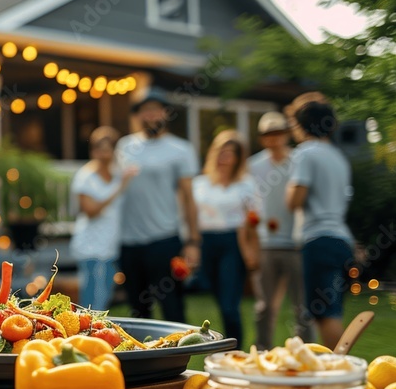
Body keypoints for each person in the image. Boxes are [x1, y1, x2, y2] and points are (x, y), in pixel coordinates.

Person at [116, 88, 201, 323]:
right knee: (137, 310)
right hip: (129, 242)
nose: (151, 115)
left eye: (155, 109)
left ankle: (179, 347)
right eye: (145, 110)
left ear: (165, 113)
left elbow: (189, 198)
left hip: (164, 240)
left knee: (172, 307)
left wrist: (193, 242)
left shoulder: (180, 149)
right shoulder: (124, 147)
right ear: (138, 115)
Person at [286, 94, 354, 349]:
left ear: (302, 124)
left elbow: (295, 199)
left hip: (319, 241)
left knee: (325, 315)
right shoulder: (338, 157)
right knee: (332, 311)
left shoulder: (304, 153)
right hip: (342, 242)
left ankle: (341, 368)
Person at [248, 112, 317, 349]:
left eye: (278, 132)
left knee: (303, 306)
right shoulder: (253, 165)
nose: (274, 138)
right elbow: (249, 206)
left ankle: (307, 353)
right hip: (266, 244)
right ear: (262, 138)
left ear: (287, 134)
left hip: (297, 242)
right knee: (264, 306)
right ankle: (262, 353)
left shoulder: (300, 160)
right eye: (268, 134)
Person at [193, 130, 260, 346]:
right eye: (221, 152)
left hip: (233, 242)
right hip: (206, 243)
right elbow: (190, 217)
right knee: (219, 300)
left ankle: (235, 348)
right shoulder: (200, 184)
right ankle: (226, 349)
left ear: (238, 158)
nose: (224, 157)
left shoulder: (246, 184)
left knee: (230, 305)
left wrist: (252, 249)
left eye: (230, 153)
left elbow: (254, 219)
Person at [70, 126, 138, 310]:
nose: (103, 154)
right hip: (90, 247)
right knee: (92, 300)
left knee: (105, 296)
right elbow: (90, 210)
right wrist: (119, 187)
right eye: (99, 149)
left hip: (110, 245)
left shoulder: (117, 174)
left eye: (108, 149)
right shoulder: (86, 176)